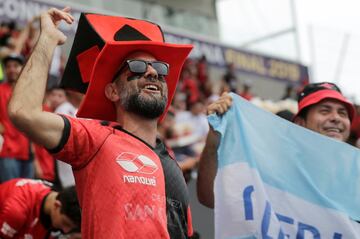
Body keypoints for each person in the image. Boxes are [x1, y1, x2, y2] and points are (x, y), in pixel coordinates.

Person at [8, 7, 193, 239]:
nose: (152, 73)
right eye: (136, 67)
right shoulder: (94, 138)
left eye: (159, 69)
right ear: (113, 91)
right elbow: (23, 112)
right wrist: (46, 39)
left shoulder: (171, 161)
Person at [197, 81, 355, 208]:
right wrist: (214, 141)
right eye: (325, 111)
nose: (336, 118)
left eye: (342, 113)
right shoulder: (274, 171)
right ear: (300, 124)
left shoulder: (355, 177)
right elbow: (212, 198)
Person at [0, 178, 81, 239]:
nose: (66, 231)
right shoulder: (17, 211)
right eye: (65, 223)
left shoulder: (55, 198)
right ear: (57, 205)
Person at [0, 53, 33, 183]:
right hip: (8, 151)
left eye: (15, 65)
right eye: (8, 66)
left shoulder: (28, 91)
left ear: (22, 68)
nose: (12, 69)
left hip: (28, 151)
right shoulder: (0, 90)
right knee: (10, 192)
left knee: (27, 195)